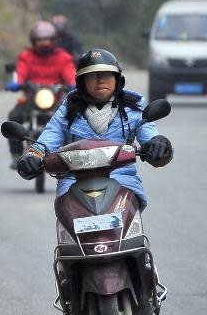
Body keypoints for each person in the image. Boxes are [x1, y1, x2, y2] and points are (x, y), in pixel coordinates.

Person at [16, 48, 173, 209]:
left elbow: (151, 135)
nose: (100, 80)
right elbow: (48, 138)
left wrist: (159, 144)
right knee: (68, 217)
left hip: (122, 180)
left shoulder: (132, 107)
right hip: (74, 181)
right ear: (82, 82)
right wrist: (32, 156)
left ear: (118, 79)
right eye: (92, 75)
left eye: (107, 74)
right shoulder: (69, 109)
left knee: (129, 220)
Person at [5, 20, 76, 168]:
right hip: (32, 96)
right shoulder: (25, 57)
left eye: (47, 39)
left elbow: (70, 73)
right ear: (33, 41)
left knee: (74, 120)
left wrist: (74, 83)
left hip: (56, 97)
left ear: (54, 40)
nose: (44, 43)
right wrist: (16, 83)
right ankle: (16, 155)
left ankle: (74, 156)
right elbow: (21, 73)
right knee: (14, 117)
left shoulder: (63, 57)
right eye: (40, 40)